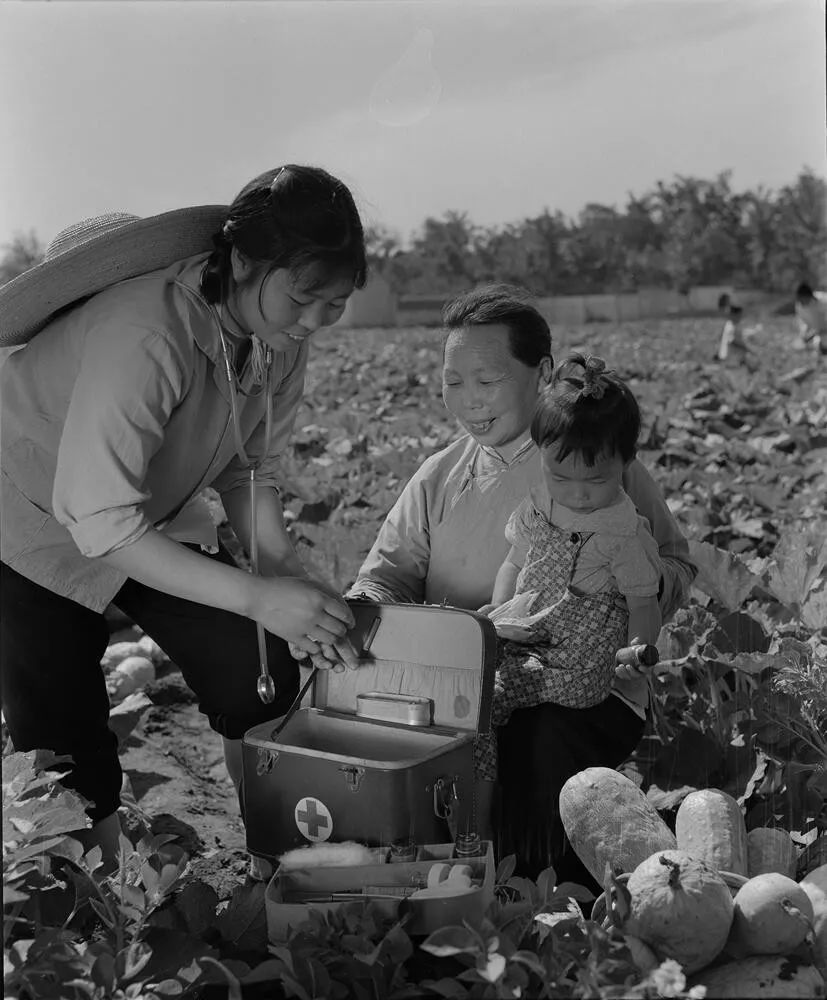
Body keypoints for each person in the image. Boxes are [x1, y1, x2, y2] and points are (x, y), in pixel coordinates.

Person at [0, 164, 366, 868]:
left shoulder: (275, 337)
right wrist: (259, 595)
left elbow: (247, 467)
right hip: (26, 521)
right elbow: (98, 519)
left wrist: (282, 574)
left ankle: (280, 871)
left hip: (141, 518)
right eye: (303, 296)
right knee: (64, 742)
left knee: (254, 671)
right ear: (241, 261)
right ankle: (88, 933)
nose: (316, 319)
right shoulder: (144, 332)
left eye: (336, 303)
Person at [348, 284, 696, 885]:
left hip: (584, 686)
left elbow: (676, 565)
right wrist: (363, 614)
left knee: (536, 744)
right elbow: (384, 577)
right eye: (453, 382)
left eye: (486, 381)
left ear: (541, 374)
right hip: (464, 674)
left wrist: (619, 596)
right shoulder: (439, 474)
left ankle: (544, 898)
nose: (468, 401)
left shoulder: (591, 461)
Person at [472, 354, 663, 816]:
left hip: (577, 666)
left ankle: (482, 809)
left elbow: (644, 604)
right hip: (530, 635)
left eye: (595, 480)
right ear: (540, 455)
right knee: (468, 673)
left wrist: (635, 653)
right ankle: (481, 804)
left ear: (626, 463)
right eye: (560, 475)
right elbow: (513, 562)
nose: (577, 493)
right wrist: (500, 615)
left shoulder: (621, 532)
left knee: (484, 702)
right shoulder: (538, 505)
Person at [794, 282, 827, 355]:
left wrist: (814, 334)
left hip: (824, 331)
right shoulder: (799, 306)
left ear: (809, 296)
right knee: (819, 346)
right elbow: (804, 322)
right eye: (799, 299)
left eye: (803, 299)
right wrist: (804, 335)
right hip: (821, 334)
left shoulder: (824, 301)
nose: (801, 302)